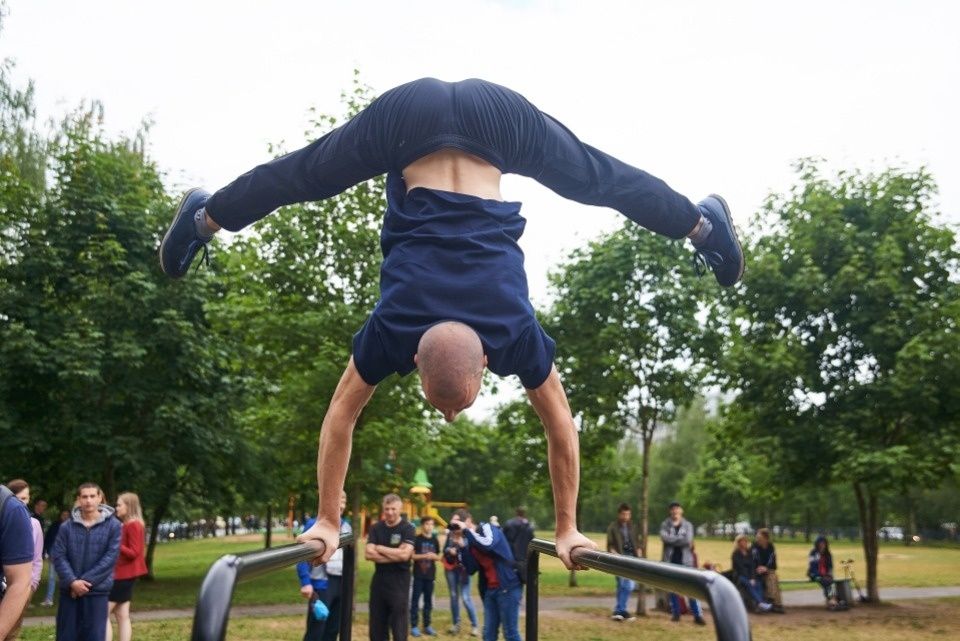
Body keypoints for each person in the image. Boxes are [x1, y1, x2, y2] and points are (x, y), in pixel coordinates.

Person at [159, 78, 745, 571]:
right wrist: (328, 518)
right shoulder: (396, 325)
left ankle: (204, 217)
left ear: (466, 361)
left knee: (306, 173)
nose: (446, 414)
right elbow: (340, 417)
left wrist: (570, 526)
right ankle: (702, 226)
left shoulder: (511, 327)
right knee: (602, 177)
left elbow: (562, 426)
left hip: (469, 124)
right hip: (439, 120)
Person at [52, 482, 122, 641]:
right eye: (84, 497)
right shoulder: (66, 527)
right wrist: (72, 582)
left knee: (94, 636)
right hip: (69, 593)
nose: (88, 501)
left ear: (100, 498)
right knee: (66, 636)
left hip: (97, 592)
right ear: (78, 499)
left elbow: (110, 558)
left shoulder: (114, 526)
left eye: (92, 496)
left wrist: (84, 583)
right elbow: (59, 556)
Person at [448, 508, 523, 641]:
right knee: (488, 634)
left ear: (468, 521)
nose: (455, 527)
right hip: (491, 590)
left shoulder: (487, 527)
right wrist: (462, 547)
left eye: (457, 523)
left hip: (508, 586)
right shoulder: (470, 541)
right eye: (453, 525)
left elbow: (488, 544)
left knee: (510, 633)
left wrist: (466, 530)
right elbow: (471, 569)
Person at [298, 491, 352, 641]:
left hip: (340, 584)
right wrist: (306, 582)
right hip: (321, 585)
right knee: (317, 628)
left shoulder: (347, 526)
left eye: (344, 500)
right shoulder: (314, 525)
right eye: (337, 499)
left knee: (333, 629)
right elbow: (302, 557)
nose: (341, 503)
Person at [365, 493, 416, 641]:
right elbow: (368, 554)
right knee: (377, 623)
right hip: (380, 579)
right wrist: (396, 552)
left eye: (393, 509)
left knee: (399, 623)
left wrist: (379, 548)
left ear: (400, 509)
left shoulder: (407, 529)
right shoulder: (376, 528)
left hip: (400, 579)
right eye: (387, 509)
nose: (390, 512)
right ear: (383, 509)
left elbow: (404, 556)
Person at [2, 480, 43, 641]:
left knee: (11, 633)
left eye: (25, 498)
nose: (22, 502)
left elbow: (37, 560)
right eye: (20, 497)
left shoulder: (16, 513)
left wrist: (32, 585)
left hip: (17, 589)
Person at [106, 493, 148, 641]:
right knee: (122, 615)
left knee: (102, 614)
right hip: (122, 574)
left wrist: (116, 543)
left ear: (129, 507)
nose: (116, 508)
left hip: (123, 576)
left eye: (119, 505)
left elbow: (135, 552)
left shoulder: (133, 525)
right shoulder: (127, 524)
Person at [660, 501, 706, 626]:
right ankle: (676, 613)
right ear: (670, 511)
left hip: (686, 561)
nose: (675, 511)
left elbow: (688, 540)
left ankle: (697, 615)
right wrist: (679, 540)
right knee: (672, 588)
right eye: (673, 509)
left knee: (690, 588)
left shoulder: (687, 525)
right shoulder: (665, 525)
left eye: (677, 509)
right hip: (670, 560)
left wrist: (673, 540)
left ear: (681, 511)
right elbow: (664, 538)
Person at [441, 521, 480, 637]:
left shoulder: (468, 535)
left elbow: (470, 552)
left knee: (465, 597)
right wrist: (449, 550)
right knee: (453, 596)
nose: (455, 529)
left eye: (457, 526)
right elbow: (444, 550)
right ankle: (456, 624)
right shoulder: (450, 535)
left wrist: (459, 547)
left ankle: (475, 625)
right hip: (451, 568)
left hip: (463, 569)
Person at [606, 502, 641, 622]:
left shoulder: (633, 527)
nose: (626, 516)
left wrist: (639, 553)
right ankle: (620, 610)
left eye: (628, 514)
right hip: (620, 556)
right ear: (619, 514)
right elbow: (610, 543)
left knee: (630, 585)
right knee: (621, 583)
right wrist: (614, 553)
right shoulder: (613, 527)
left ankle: (620, 610)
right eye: (624, 514)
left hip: (631, 556)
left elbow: (637, 542)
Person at [410, 515, 440, 637]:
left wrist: (434, 557)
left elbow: (438, 556)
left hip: (430, 575)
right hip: (418, 575)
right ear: (422, 525)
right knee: (415, 601)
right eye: (427, 524)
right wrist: (423, 556)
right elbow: (412, 556)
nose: (429, 527)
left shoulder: (435, 540)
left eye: (432, 524)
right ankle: (414, 625)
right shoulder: (417, 539)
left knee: (428, 602)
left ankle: (427, 625)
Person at [731, 534, 773, 613]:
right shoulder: (736, 554)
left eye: (746, 541)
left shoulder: (749, 552)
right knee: (750, 584)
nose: (745, 543)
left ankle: (760, 604)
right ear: (739, 542)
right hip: (740, 575)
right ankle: (760, 603)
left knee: (758, 583)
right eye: (743, 541)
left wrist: (752, 577)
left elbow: (752, 566)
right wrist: (750, 579)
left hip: (750, 575)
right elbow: (740, 568)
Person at [40, 509, 69, 607]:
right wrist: (47, 552)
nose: (65, 517)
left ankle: (65, 598)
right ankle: (49, 598)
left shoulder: (71, 527)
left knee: (65, 577)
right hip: (54, 553)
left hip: (66, 555)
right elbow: (48, 539)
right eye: (63, 515)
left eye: (66, 515)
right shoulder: (54, 526)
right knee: (52, 577)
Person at [751, 528, 784, 613]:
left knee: (772, 576)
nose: (758, 540)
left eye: (760, 538)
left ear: (766, 539)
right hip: (755, 571)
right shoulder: (754, 547)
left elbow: (773, 563)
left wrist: (766, 568)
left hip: (767, 570)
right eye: (757, 538)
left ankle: (773, 601)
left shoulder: (771, 548)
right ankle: (774, 602)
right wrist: (758, 568)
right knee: (772, 578)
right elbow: (751, 560)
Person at [502, 507, 535, 587]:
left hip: (510, 554)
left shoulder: (509, 524)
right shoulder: (528, 526)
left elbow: (503, 538)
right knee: (521, 578)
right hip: (523, 555)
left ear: (516, 513)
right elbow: (532, 540)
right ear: (524, 514)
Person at [808, 535, 843, 610]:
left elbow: (830, 567)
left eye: (823, 543)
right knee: (825, 581)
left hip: (826, 575)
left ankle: (833, 599)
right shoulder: (813, 553)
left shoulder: (828, 554)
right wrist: (821, 575)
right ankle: (833, 600)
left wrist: (829, 575)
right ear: (817, 544)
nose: (822, 545)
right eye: (820, 543)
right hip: (815, 575)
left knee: (830, 582)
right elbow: (812, 567)